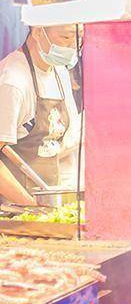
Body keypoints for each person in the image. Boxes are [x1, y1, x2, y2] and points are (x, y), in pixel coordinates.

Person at [0, 24, 83, 205]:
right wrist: (32, 207)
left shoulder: (59, 71)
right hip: (12, 210)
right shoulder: (12, 81)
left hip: (47, 202)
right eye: (66, 37)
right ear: (38, 31)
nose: (73, 47)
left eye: (79, 38)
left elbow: (61, 147)